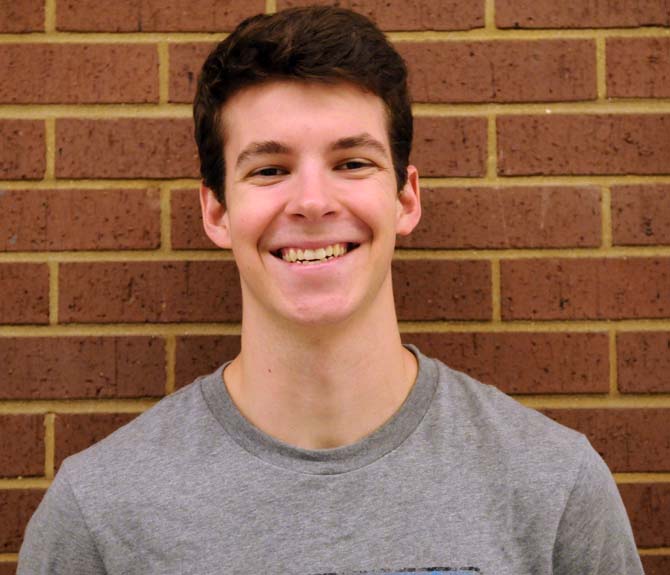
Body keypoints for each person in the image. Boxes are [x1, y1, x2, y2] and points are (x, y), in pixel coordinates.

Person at [18, 6, 643, 575]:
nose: (313, 202)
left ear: (405, 198)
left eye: (351, 163)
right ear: (216, 213)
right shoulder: (101, 512)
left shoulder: (552, 485)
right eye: (270, 170)